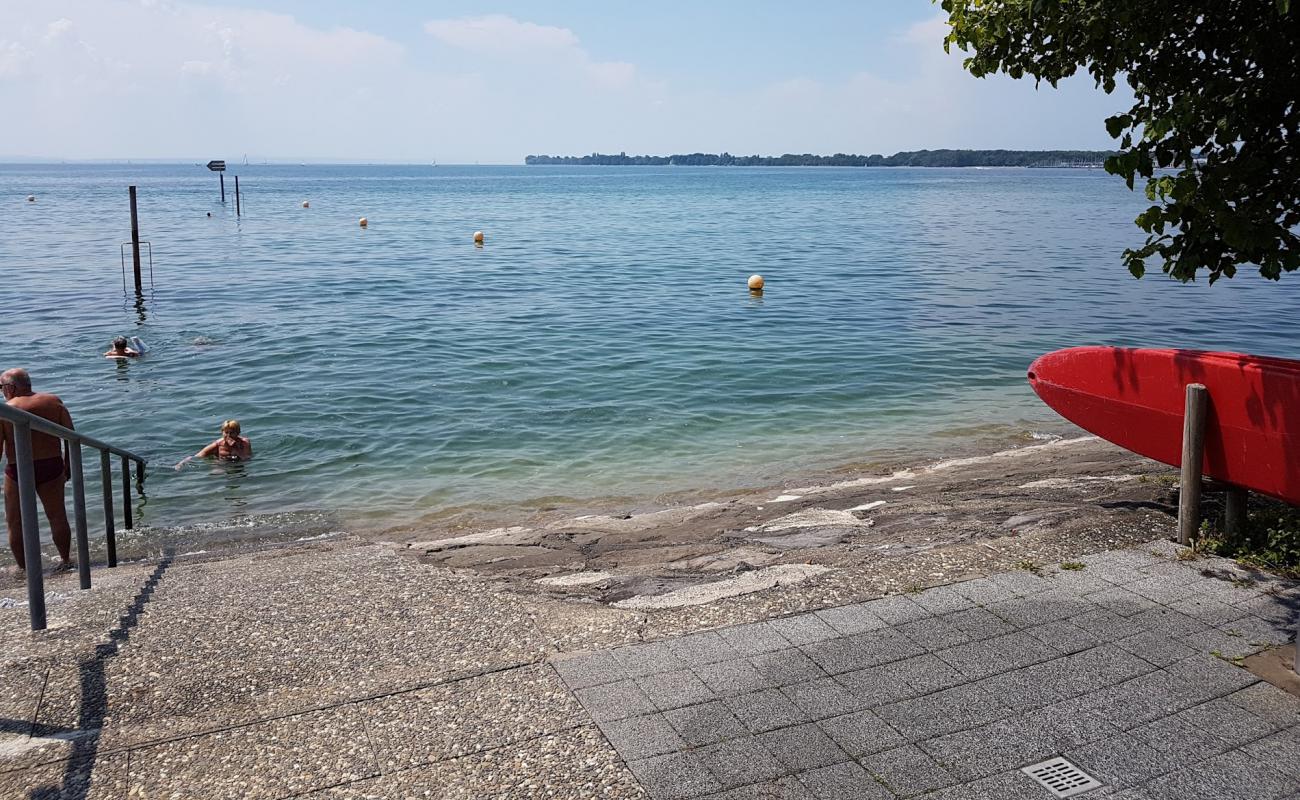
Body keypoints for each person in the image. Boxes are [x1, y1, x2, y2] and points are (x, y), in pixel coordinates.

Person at [0, 369, 72, 572]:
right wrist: (69, 463)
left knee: (14, 522)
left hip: (18, 470)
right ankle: (66, 561)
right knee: (57, 516)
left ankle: (26, 570)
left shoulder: (7, 409)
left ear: (10, 387)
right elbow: (71, 436)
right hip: (51, 465)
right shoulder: (53, 401)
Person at [175, 419, 252, 470]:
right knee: (216, 476)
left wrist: (235, 448)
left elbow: (246, 458)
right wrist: (181, 463)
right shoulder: (218, 444)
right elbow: (198, 455)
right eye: (226, 432)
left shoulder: (244, 442)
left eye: (232, 433)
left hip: (239, 464)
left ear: (238, 433)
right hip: (222, 464)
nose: (228, 435)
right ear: (222, 432)